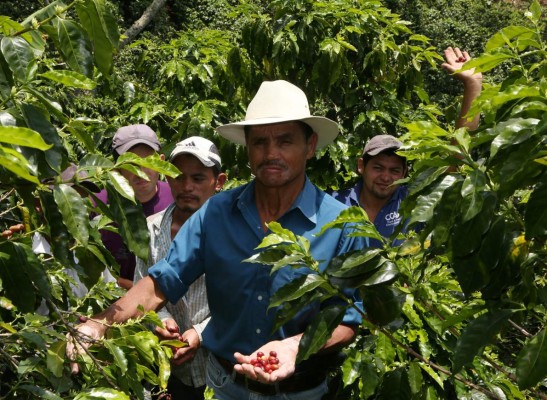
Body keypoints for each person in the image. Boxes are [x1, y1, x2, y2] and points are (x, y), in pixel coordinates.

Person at [68, 80, 365, 400]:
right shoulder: (217, 214)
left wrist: (295, 345)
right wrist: (101, 323)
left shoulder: (341, 225)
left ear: (309, 146)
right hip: (226, 387)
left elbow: (348, 319)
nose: (271, 153)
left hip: (301, 392)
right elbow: (162, 281)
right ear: (247, 149)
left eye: (285, 141)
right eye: (260, 142)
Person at [331, 47, 483, 247]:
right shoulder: (334, 204)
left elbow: (457, 158)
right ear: (361, 166)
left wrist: (473, 85)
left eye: (394, 170)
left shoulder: (414, 203)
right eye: (377, 167)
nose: (386, 177)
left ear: (404, 173)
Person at [133, 136, 227, 400]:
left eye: (198, 179)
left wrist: (199, 333)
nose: (187, 187)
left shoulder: (233, 234)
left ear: (218, 182)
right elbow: (141, 288)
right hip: (171, 373)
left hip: (221, 372)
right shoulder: (150, 229)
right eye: (178, 177)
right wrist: (162, 322)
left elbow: (243, 302)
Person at [95, 124, 174, 289]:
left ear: (161, 162)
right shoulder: (97, 204)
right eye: (131, 163)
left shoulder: (176, 200)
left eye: (147, 161)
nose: (141, 171)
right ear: (116, 168)